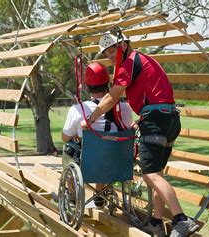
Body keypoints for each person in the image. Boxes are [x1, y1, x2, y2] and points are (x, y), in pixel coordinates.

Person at [81, 33, 200, 237]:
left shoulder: (129, 63)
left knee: (150, 174)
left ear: (125, 45)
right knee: (157, 174)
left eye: (113, 50)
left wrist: (90, 119)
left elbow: (112, 96)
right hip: (169, 118)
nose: (110, 55)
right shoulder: (143, 60)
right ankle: (155, 222)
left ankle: (181, 220)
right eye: (107, 52)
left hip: (156, 120)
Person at [62, 62, 133, 208]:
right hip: (119, 162)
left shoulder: (78, 109)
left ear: (87, 86)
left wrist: (76, 134)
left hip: (90, 164)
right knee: (105, 149)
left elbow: (65, 137)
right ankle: (100, 195)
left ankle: (72, 194)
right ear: (108, 83)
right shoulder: (124, 108)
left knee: (68, 148)